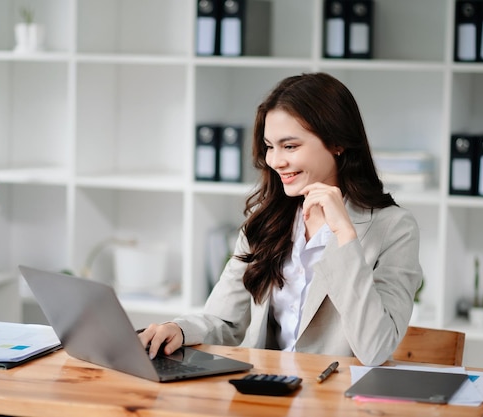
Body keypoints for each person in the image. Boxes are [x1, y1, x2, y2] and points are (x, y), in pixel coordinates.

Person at [138, 72, 423, 366]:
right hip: (266, 393)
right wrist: (179, 330)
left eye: (290, 146)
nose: (275, 161)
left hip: (336, 401)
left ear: (337, 143)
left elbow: (375, 349)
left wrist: (344, 236)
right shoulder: (266, 221)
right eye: (270, 146)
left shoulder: (394, 229)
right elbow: (224, 320)